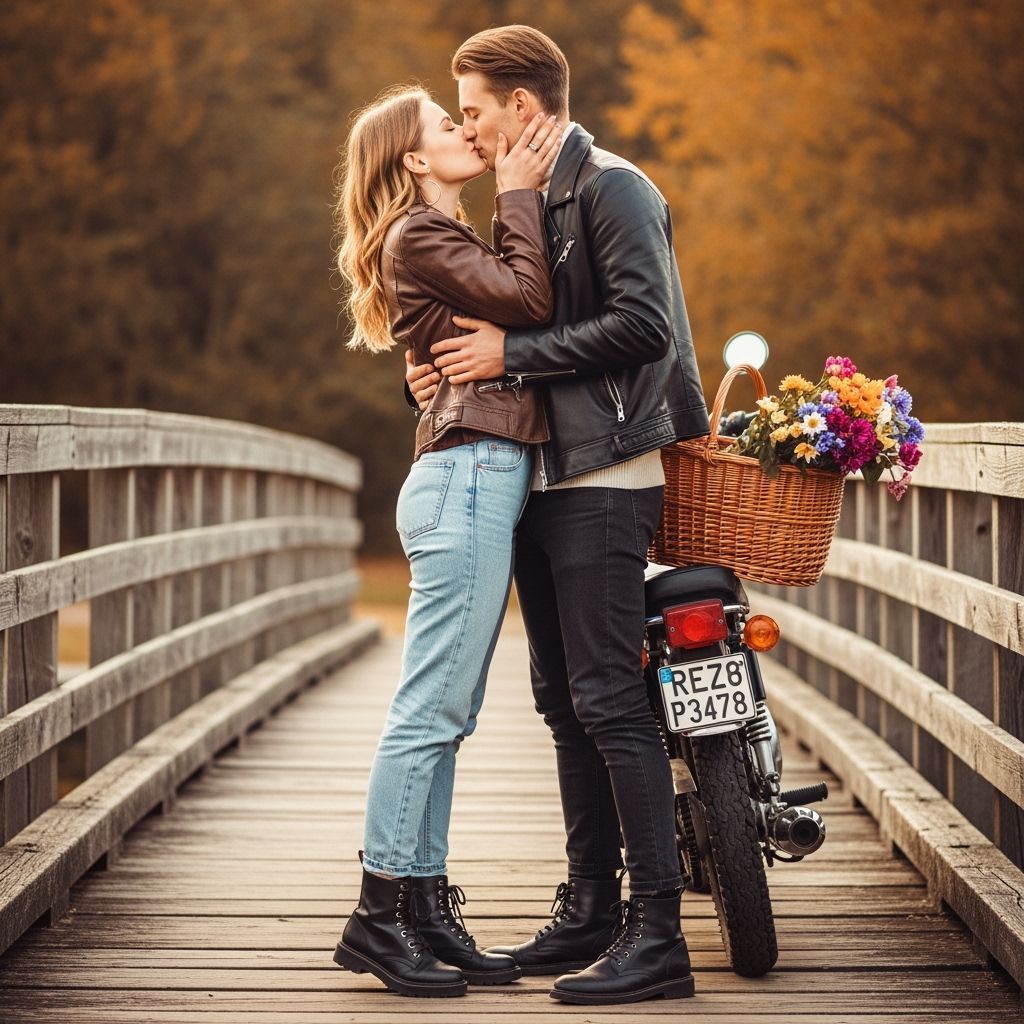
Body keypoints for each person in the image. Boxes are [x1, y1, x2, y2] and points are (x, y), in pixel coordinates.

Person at [405, 25, 710, 1006]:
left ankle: (656, 933)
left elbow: (645, 329)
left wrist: (510, 359)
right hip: (538, 475)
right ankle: (588, 909)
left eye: (477, 108)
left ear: (524, 109)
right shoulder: (527, 197)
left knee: (611, 701)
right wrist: (440, 367)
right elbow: (502, 312)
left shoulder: (613, 185)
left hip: (606, 474)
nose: (467, 123)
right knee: (562, 701)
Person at [330, 84, 563, 998]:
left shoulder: (436, 238)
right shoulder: (420, 234)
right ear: (414, 162)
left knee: (447, 715)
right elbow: (531, 300)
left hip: (472, 476)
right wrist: (517, 188)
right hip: (466, 478)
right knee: (430, 712)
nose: (468, 130)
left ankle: (421, 907)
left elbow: (466, 335)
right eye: (445, 125)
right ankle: (375, 916)